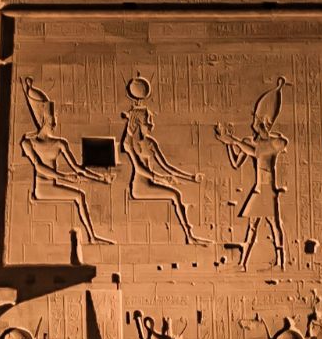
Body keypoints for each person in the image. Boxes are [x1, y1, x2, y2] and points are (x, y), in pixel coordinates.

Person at [18, 77, 113, 245]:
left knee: (80, 194)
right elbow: (39, 168)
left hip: (55, 183)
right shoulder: (29, 143)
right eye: (52, 117)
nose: (55, 119)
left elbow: (77, 168)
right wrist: (63, 177)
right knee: (79, 195)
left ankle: (92, 237)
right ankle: (92, 237)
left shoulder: (60, 143)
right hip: (43, 189)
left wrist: (99, 178)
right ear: (45, 120)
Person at [213, 76, 291, 269]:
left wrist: (235, 140)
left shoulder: (274, 143)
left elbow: (259, 151)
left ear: (264, 123)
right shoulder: (252, 142)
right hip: (258, 189)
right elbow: (235, 163)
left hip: (267, 189)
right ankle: (243, 263)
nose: (252, 124)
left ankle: (281, 262)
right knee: (253, 226)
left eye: (256, 121)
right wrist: (228, 144)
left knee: (274, 225)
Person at [120, 77, 208, 245]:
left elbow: (166, 166)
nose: (151, 124)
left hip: (151, 183)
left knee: (176, 193)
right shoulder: (129, 144)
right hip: (140, 188)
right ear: (138, 122)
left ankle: (189, 236)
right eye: (148, 121)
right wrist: (160, 178)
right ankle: (189, 237)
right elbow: (139, 169)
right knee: (175, 194)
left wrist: (189, 177)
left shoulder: (150, 143)